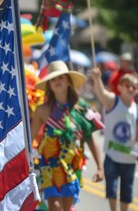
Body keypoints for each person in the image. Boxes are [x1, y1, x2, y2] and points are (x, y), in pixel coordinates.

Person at [31, 60, 104, 211]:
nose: (57, 81)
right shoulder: (42, 111)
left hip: (72, 166)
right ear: (49, 85)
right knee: (55, 206)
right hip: (49, 166)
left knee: (67, 207)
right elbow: (29, 138)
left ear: (69, 82)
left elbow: (90, 139)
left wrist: (100, 167)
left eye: (61, 77)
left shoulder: (81, 108)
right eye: (53, 79)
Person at [91, 67, 138, 211]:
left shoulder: (136, 109)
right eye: (127, 85)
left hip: (129, 158)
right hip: (112, 156)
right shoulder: (113, 101)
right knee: (111, 190)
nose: (130, 89)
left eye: (134, 87)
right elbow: (101, 93)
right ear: (120, 87)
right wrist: (97, 78)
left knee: (126, 192)